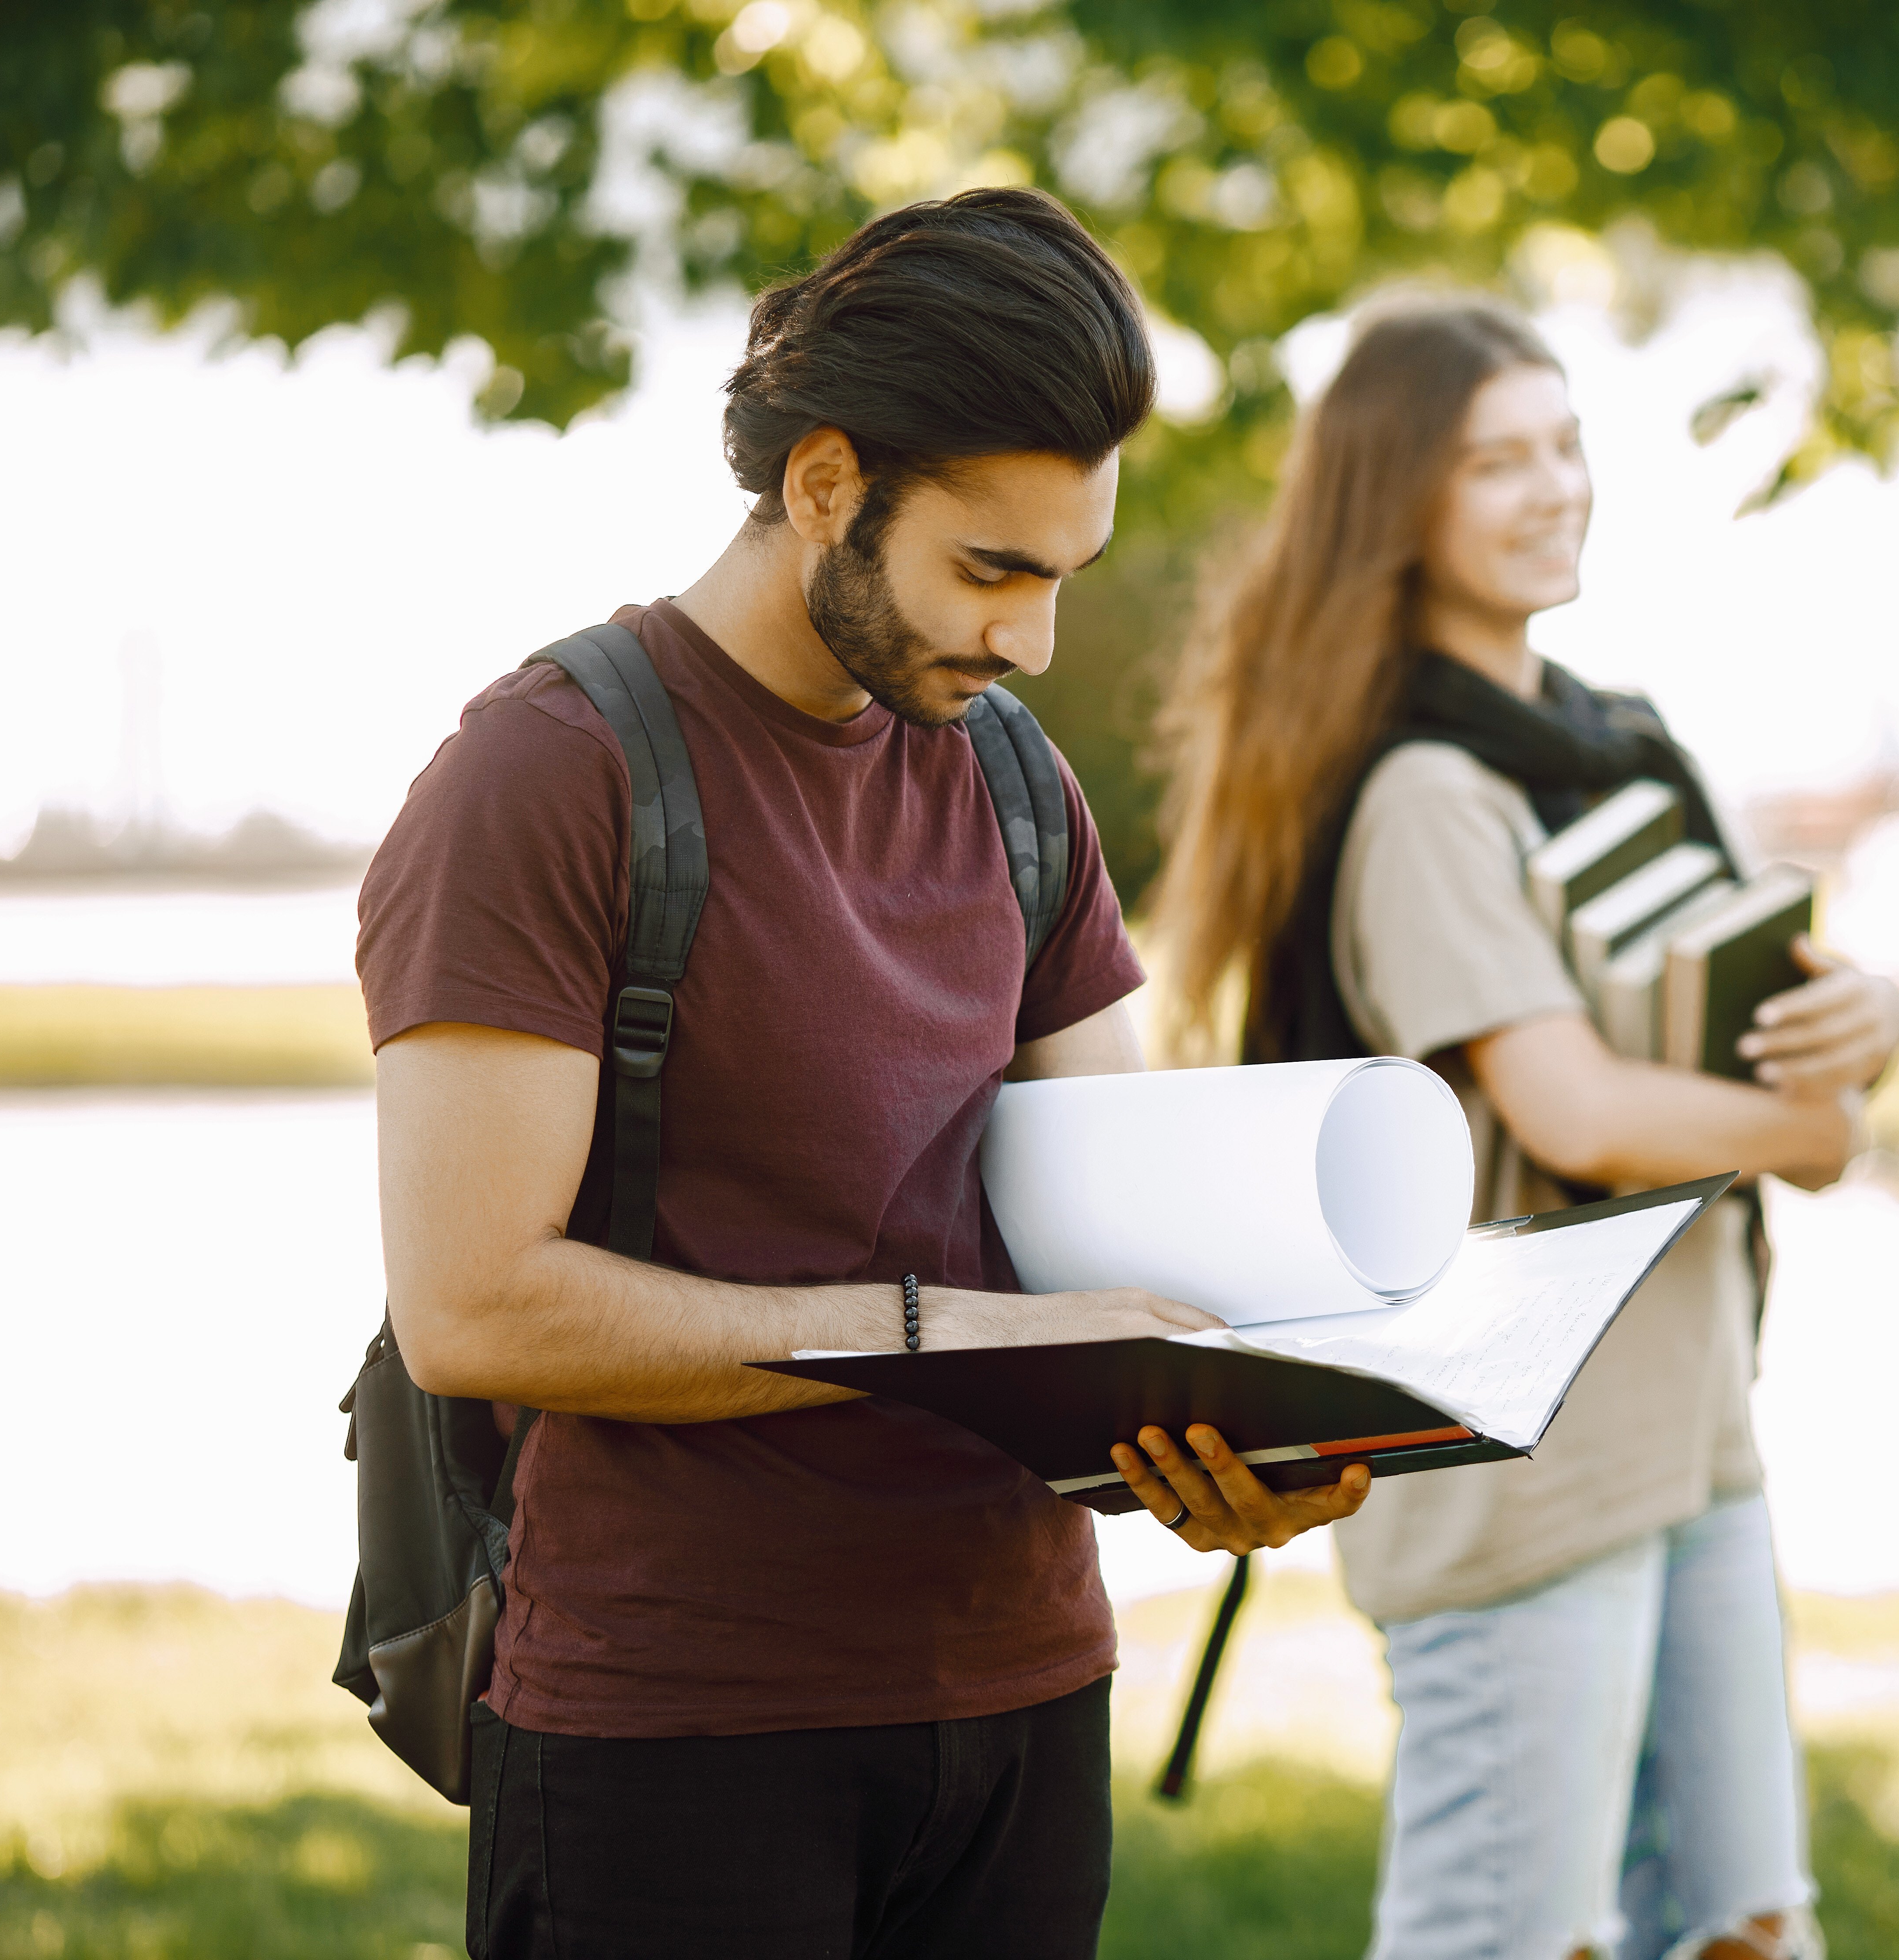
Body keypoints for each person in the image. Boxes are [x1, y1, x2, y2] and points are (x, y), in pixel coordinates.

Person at [356, 188, 1367, 1960]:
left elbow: (1107, 1231)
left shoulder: (1014, 783)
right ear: (824, 485)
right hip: (677, 1728)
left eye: (1064, 577)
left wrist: (1245, 1428)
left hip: (1024, 1696)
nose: (1032, 642)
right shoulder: (549, 776)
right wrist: (947, 1334)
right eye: (992, 571)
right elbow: (478, 1307)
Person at [1148, 299, 1899, 1960]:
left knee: (1746, 1928)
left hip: (1685, 1428)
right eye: (1497, 459)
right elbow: (1573, 1106)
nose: (1553, 487)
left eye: (1566, 446)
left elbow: (1730, 1009)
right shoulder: (1426, 792)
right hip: (1516, 1455)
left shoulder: (1617, 747)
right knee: (1509, 1940)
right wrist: (1813, 1135)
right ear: (1396, 502)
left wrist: (1871, 1021)